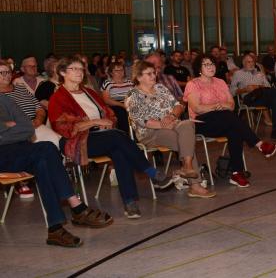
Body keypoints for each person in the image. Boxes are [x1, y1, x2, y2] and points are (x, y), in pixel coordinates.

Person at [48, 56, 175, 219]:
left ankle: (130, 203)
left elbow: (110, 114)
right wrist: (94, 122)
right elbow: (61, 126)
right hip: (78, 141)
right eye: (74, 69)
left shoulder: (89, 92)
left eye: (81, 69)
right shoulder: (58, 98)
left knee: (119, 151)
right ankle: (151, 172)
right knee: (117, 138)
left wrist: (106, 122)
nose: (80, 72)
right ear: (62, 72)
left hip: (103, 136)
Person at [0, 96, 114, 247]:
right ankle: (77, 208)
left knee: (44, 157)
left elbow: (28, 128)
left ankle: (55, 228)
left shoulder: (5, 100)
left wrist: (6, 129)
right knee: (45, 151)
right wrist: (9, 127)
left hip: (22, 149)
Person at [184, 53, 276, 188]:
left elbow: (232, 104)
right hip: (201, 123)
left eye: (212, 64)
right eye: (206, 64)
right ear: (199, 68)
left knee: (235, 130)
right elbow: (197, 108)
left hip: (223, 120)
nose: (210, 67)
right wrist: (217, 106)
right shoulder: (192, 84)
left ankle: (237, 172)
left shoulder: (221, 82)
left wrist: (221, 107)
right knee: (230, 118)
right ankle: (259, 144)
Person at [127, 61, 215, 198]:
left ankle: (187, 167)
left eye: (154, 72)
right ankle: (195, 185)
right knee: (186, 141)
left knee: (187, 125)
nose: (153, 76)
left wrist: (172, 116)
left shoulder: (161, 88)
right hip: (150, 132)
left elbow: (178, 105)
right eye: (149, 74)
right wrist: (163, 124)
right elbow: (142, 121)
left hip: (173, 124)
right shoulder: (133, 95)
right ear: (138, 77)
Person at [1, 60, 48, 200]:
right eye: (2, 72)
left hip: (35, 125)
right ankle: (21, 180)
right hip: (17, 131)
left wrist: (39, 119)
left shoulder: (20, 87)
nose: (6, 75)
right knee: (30, 145)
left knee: (54, 141)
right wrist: (15, 126)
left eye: (8, 72)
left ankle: (48, 180)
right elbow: (6, 123)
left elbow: (38, 106)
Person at [230, 53, 276, 140]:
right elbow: (231, 92)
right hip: (249, 98)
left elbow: (268, 87)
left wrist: (257, 86)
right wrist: (244, 90)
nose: (251, 64)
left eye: (252, 62)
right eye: (248, 62)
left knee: (275, 99)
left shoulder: (260, 73)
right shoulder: (238, 74)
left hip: (262, 96)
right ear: (243, 63)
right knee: (274, 94)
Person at [100, 62, 134, 132]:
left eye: (121, 70)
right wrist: (122, 105)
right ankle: (126, 135)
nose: (120, 72)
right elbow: (106, 100)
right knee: (122, 113)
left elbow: (134, 95)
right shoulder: (108, 83)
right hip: (115, 105)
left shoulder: (129, 82)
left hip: (129, 103)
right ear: (111, 72)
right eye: (116, 70)